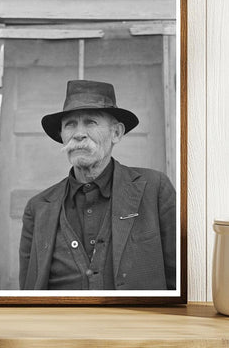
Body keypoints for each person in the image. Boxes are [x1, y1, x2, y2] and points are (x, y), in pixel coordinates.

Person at [19, 80, 176, 290]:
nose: (78, 134)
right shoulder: (37, 208)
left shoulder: (154, 190)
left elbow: (179, 282)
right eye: (70, 124)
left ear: (116, 133)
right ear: (62, 136)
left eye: (91, 122)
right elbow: (29, 291)